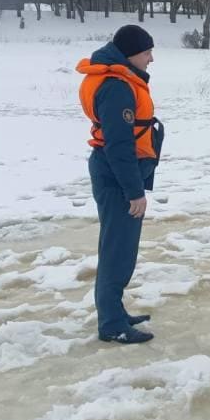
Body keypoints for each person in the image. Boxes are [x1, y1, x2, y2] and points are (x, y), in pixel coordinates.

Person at [76, 25, 164, 344]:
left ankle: (115, 311)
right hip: (117, 175)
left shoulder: (120, 79)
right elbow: (118, 145)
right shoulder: (115, 87)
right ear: (130, 55)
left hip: (119, 171)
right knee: (117, 250)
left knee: (120, 248)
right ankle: (112, 324)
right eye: (146, 53)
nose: (151, 59)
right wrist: (134, 192)